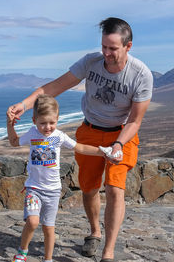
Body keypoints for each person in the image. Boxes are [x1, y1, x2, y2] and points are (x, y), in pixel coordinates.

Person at [6, 17, 153, 262]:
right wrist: (24, 104)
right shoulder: (90, 62)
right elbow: (53, 88)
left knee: (115, 189)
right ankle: (94, 232)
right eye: (104, 46)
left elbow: (135, 121)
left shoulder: (141, 75)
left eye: (113, 48)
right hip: (90, 131)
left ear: (128, 46)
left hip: (121, 134)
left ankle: (108, 252)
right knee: (89, 189)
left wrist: (117, 144)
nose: (106, 53)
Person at [7, 94, 106, 262]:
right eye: (43, 123)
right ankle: (22, 252)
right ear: (34, 120)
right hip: (34, 189)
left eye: (52, 123)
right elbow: (14, 141)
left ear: (57, 119)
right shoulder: (32, 134)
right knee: (32, 222)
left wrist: (102, 151)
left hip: (53, 192)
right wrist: (10, 124)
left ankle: (48, 259)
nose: (47, 127)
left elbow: (80, 147)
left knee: (48, 228)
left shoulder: (59, 136)